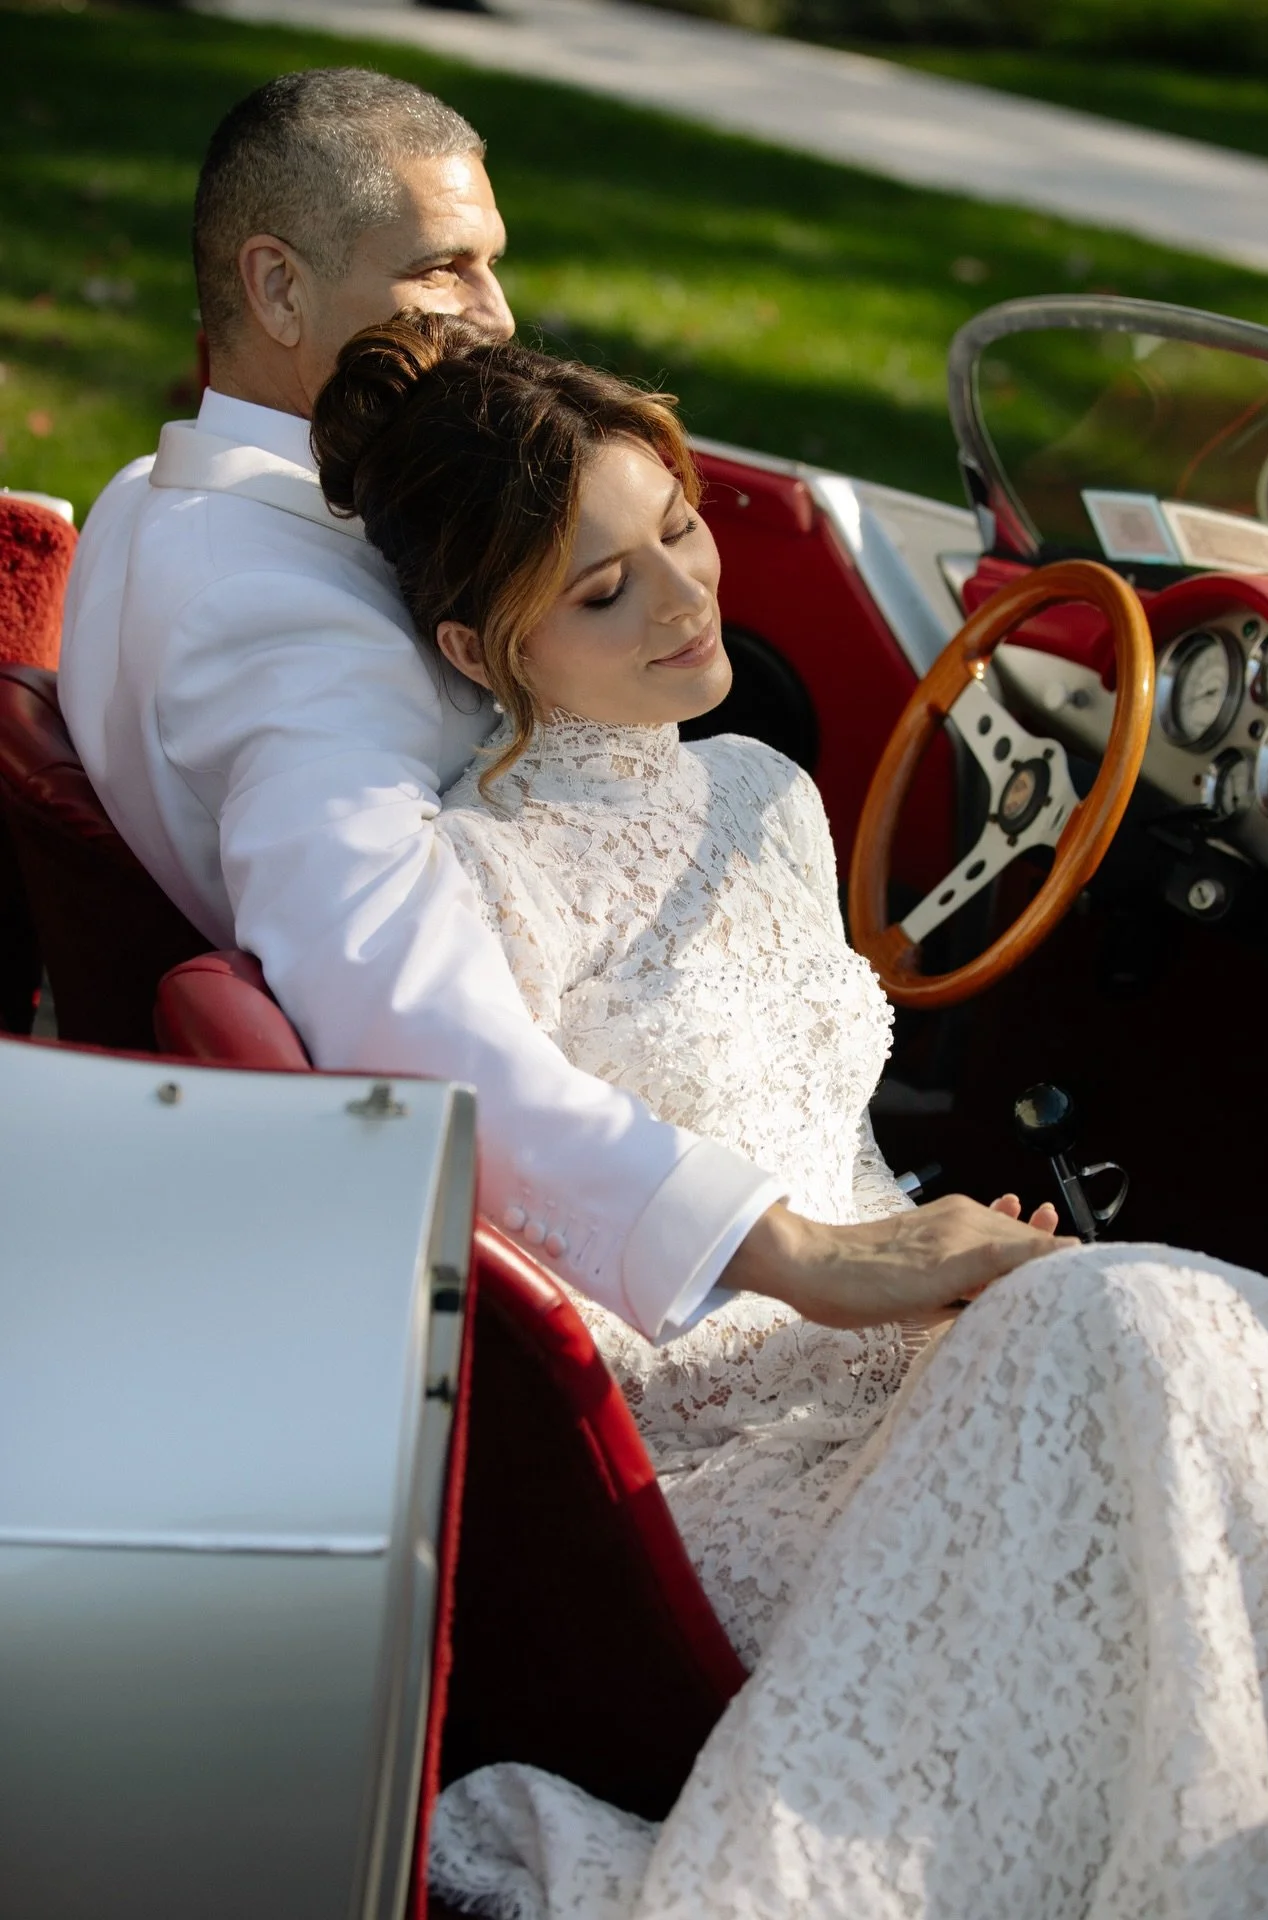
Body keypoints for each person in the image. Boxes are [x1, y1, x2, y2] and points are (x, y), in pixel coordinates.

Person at [308, 310, 1268, 1919]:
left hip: (896, 1350)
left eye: (682, 526)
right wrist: (843, 1269)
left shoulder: (769, 797)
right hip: (721, 1451)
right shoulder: (479, 892)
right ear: (482, 655)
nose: (689, 592)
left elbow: (833, 1136)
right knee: (1141, 1333)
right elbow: (526, 1233)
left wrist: (938, 1248)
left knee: (1164, 1335)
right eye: (602, 589)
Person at [58, 66, 1057, 1352]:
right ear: (278, 287)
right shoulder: (279, 620)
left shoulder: (163, 491)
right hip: (601, 1307)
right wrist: (798, 1251)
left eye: (495, 264)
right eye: (444, 271)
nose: (497, 315)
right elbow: (397, 1004)